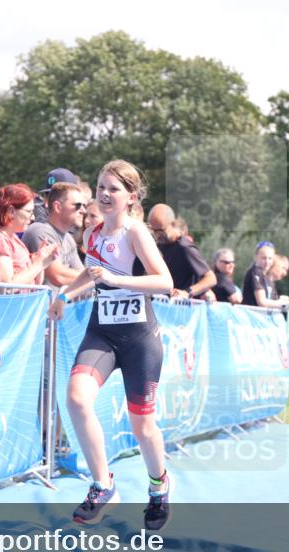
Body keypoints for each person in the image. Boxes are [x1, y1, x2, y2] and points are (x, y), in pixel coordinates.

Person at [48, 160, 174, 530]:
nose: (104, 194)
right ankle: (103, 485)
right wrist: (65, 295)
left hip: (139, 339)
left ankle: (158, 486)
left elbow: (164, 281)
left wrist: (119, 280)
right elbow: (92, 273)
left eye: (113, 189)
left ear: (131, 197)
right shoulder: (91, 234)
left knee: (143, 427)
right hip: (101, 332)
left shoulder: (136, 232)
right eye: (101, 187)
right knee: (76, 399)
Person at [0, 183, 57, 287]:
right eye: (29, 211)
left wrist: (40, 259)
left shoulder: (13, 239)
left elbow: (34, 283)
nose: (33, 217)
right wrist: (38, 264)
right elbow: (6, 286)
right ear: (11, 211)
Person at [146, 204, 216, 300]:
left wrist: (187, 292)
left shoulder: (185, 248)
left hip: (179, 306)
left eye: (160, 230)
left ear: (173, 224)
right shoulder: (156, 244)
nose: (156, 235)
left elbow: (211, 278)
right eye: (152, 230)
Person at [23, 182, 86, 288]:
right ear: (58, 207)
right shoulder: (39, 231)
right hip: (39, 299)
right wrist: (96, 276)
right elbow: (58, 276)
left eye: (84, 206)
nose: (83, 211)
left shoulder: (68, 238)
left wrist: (93, 276)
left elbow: (82, 273)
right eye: (78, 205)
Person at [241, 241, 289, 312]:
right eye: (264, 258)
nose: (267, 262)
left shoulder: (266, 278)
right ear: (256, 257)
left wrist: (284, 304)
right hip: (250, 315)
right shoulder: (255, 272)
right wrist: (287, 305)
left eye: (270, 258)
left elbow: (273, 302)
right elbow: (262, 302)